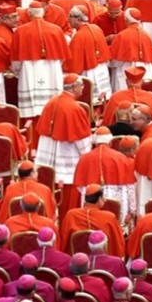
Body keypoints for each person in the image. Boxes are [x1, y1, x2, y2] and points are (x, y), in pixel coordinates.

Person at [35, 73, 92, 220]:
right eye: (81, 85)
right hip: (67, 166)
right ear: (74, 87)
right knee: (67, 208)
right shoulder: (74, 108)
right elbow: (82, 140)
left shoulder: (52, 101)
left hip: (47, 162)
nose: (83, 88)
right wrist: (87, 157)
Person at [11, 1, 70, 119]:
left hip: (29, 70)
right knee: (53, 109)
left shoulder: (20, 31)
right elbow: (63, 56)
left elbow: (16, 58)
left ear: (29, 13)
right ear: (42, 13)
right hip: (52, 69)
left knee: (32, 108)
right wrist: (57, 66)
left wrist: (17, 72)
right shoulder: (56, 29)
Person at [74, 126, 134, 223]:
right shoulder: (121, 158)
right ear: (110, 141)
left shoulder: (84, 158)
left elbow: (80, 187)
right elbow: (130, 187)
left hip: (92, 202)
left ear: (94, 142)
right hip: (116, 200)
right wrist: (132, 210)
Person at [61, 184, 124, 257]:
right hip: (102, 262)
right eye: (103, 197)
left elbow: (64, 242)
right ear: (99, 198)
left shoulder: (71, 215)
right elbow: (118, 244)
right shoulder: (109, 217)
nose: (105, 199)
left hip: (78, 260)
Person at [64, 5, 111, 100]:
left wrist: (65, 68)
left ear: (77, 19)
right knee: (103, 98)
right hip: (102, 69)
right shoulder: (96, 28)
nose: (68, 19)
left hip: (90, 72)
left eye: (70, 16)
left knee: (92, 99)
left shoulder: (79, 36)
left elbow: (74, 62)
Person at [109, 9, 152, 92]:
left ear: (126, 20)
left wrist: (110, 65)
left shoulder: (122, 35)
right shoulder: (147, 35)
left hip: (125, 71)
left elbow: (115, 61)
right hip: (145, 72)